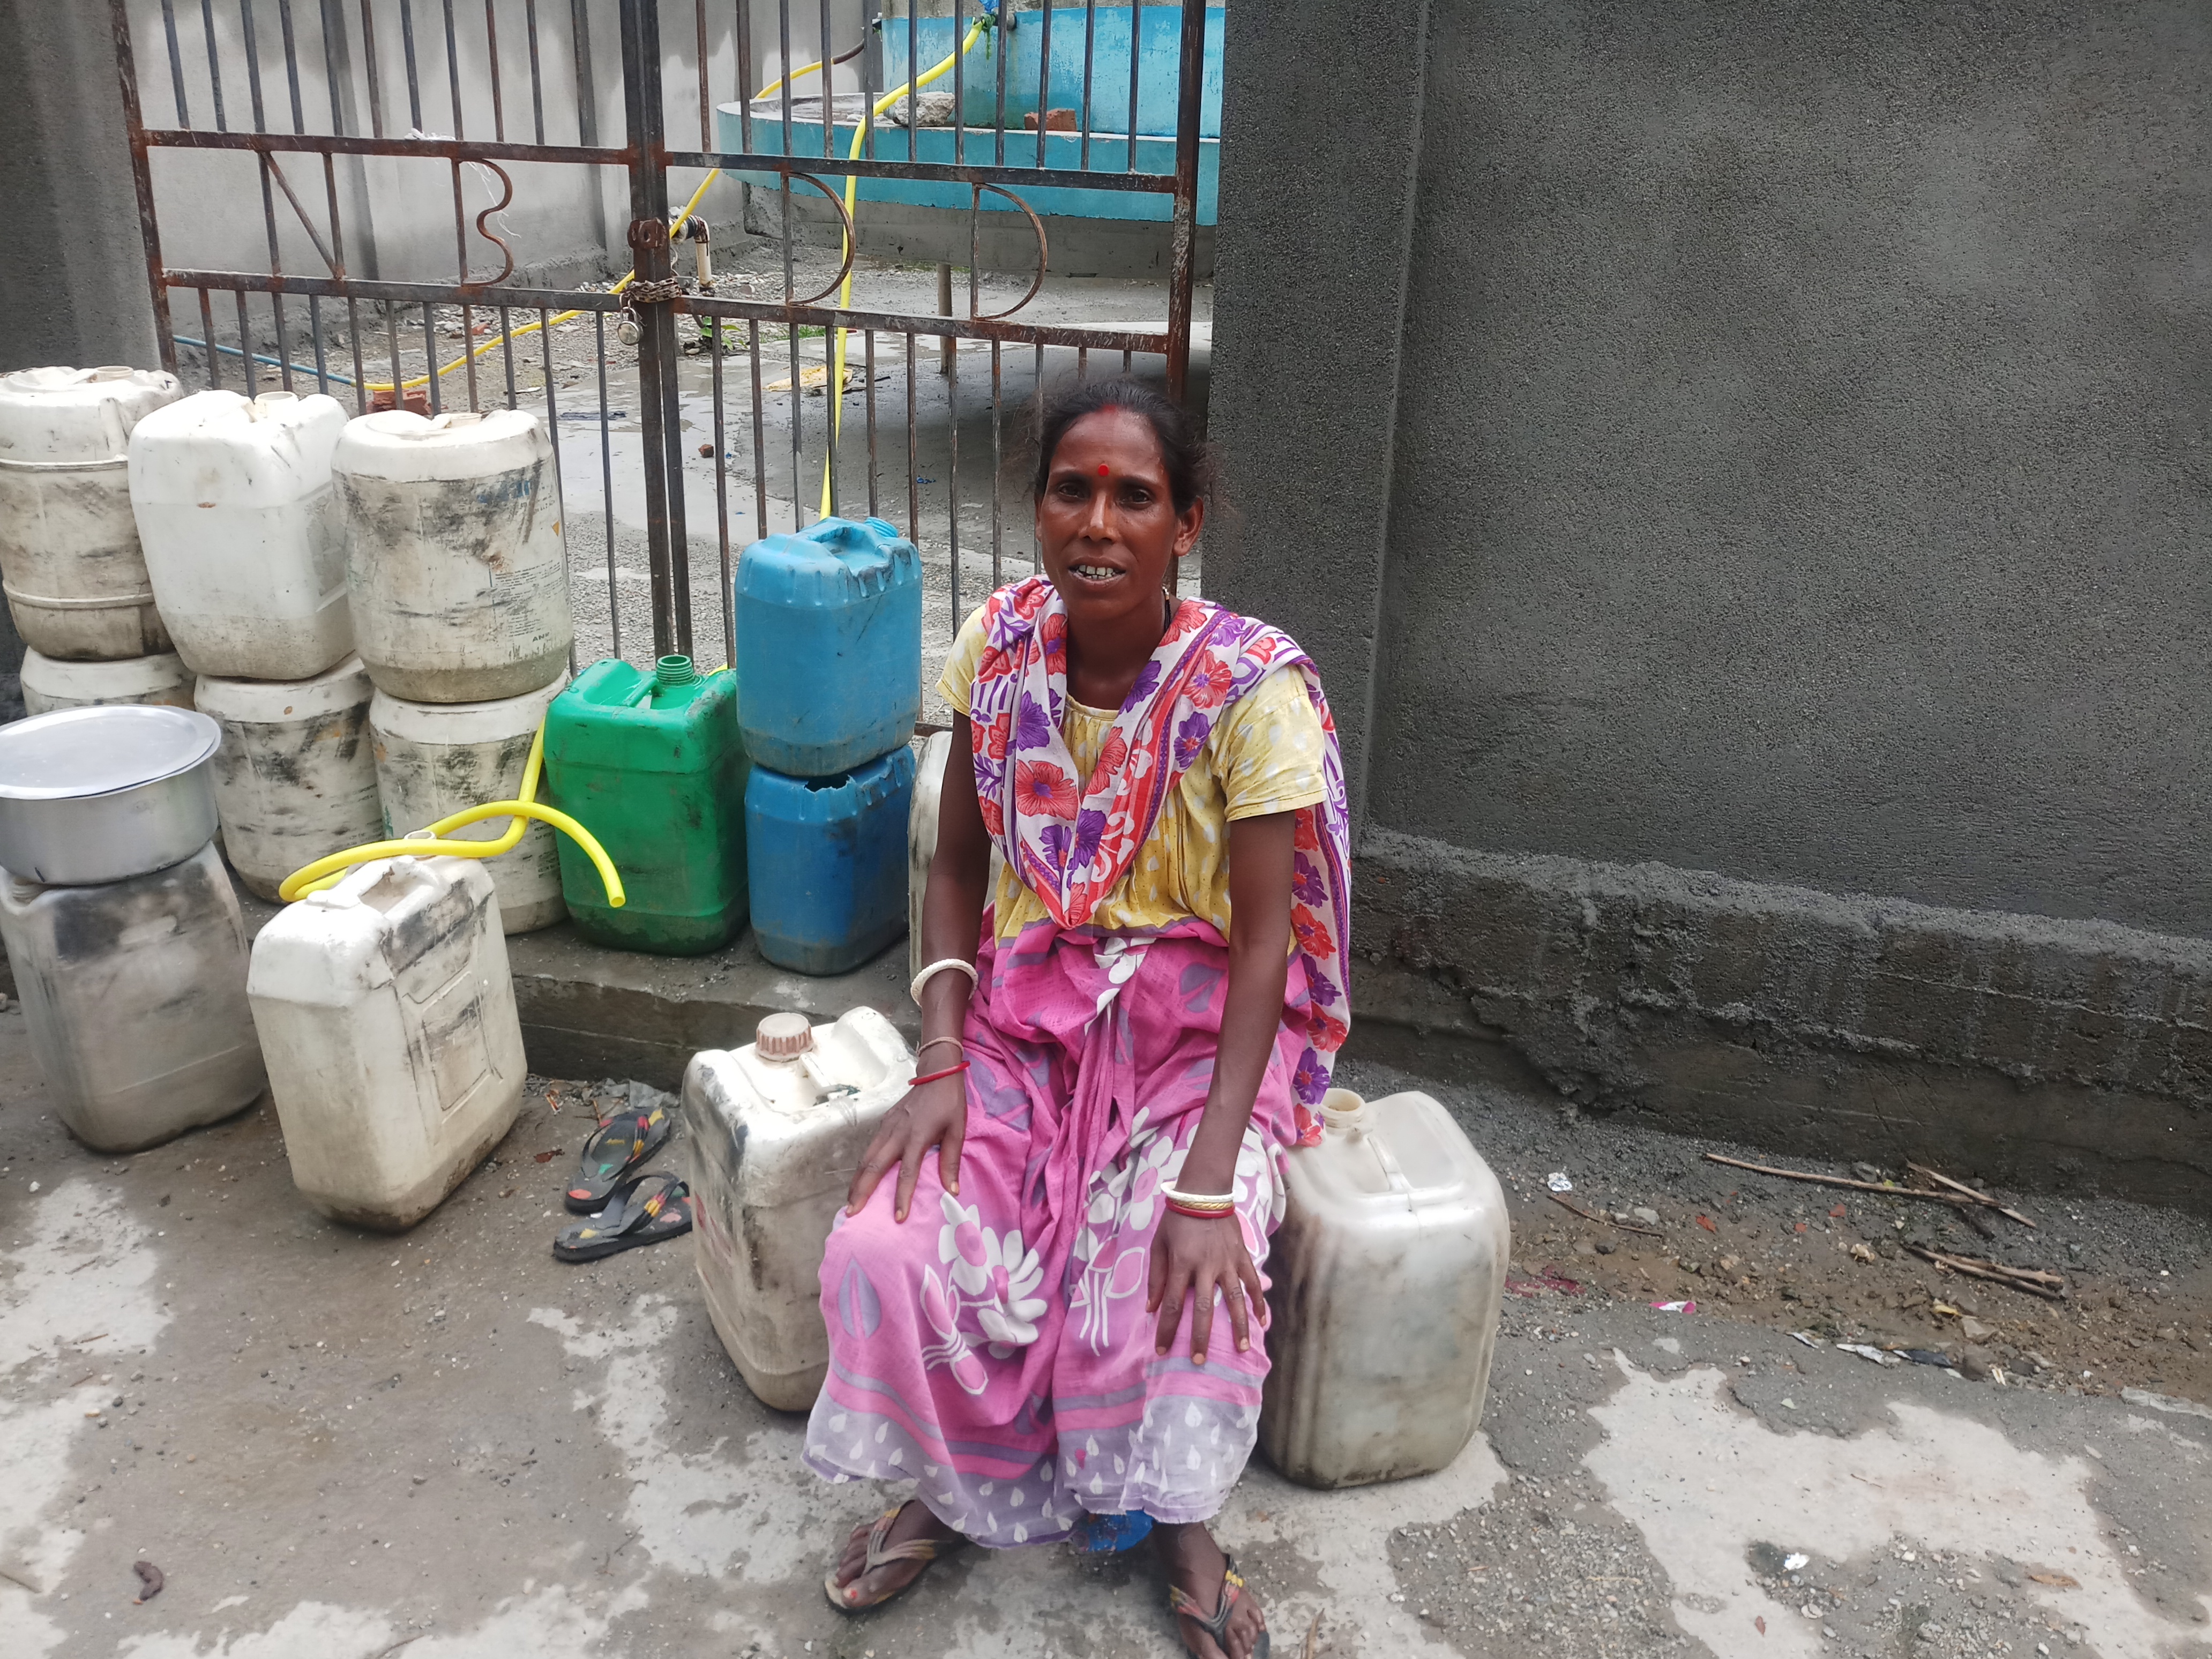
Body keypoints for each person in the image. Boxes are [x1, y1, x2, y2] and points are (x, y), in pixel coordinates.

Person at [806, 377, 1350, 1659]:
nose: (1098, 522)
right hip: (1022, 1018)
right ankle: (951, 1487)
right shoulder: (993, 650)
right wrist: (941, 1056)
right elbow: (952, 869)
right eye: (1072, 490)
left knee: (1161, 1283)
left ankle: (1178, 1524)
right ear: (1038, 506)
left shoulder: (1247, 689)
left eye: (1135, 497)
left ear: (1187, 523)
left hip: (1190, 1044)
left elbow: (1267, 945)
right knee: (888, 1248)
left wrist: (1213, 1179)